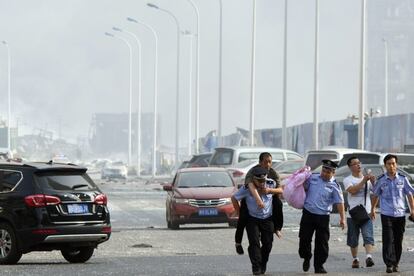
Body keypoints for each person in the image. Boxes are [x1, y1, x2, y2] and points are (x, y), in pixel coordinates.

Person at [231, 166, 282, 275]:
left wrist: (269, 190)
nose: (262, 183)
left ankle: (263, 263)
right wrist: (238, 211)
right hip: (252, 219)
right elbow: (234, 198)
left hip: (267, 219)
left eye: (263, 180)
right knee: (254, 243)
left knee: (268, 244)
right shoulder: (247, 189)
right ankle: (256, 267)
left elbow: (281, 190)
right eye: (259, 181)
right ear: (253, 180)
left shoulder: (270, 183)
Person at [298, 159, 346, 274]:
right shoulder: (313, 177)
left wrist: (343, 218)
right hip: (308, 214)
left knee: (322, 243)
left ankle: (319, 266)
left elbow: (340, 202)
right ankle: (307, 256)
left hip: (323, 217)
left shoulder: (335, 186)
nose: (324, 173)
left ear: (333, 173)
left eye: (328, 172)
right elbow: (303, 187)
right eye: (324, 170)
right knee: (304, 239)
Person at [370, 154, 414, 273]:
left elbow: (410, 194)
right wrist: (373, 209)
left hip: (400, 214)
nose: (391, 166)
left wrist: (412, 210)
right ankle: (389, 264)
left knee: (398, 240)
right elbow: (375, 195)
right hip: (386, 213)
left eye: (393, 163)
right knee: (388, 239)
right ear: (385, 165)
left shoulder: (403, 179)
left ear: (396, 165)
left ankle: (396, 263)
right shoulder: (381, 180)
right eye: (389, 164)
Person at [234, 152, 283, 256]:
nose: (268, 164)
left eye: (270, 162)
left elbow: (280, 190)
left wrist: (269, 191)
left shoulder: (273, 173)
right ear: (260, 162)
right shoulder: (252, 172)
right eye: (265, 162)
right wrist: (258, 200)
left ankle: (277, 228)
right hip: (250, 199)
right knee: (242, 220)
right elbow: (250, 185)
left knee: (278, 203)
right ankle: (238, 243)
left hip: (269, 198)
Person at [343, 157, 376, 268]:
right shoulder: (347, 179)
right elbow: (352, 190)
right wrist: (363, 181)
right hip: (353, 213)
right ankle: (355, 259)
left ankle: (368, 257)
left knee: (368, 236)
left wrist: (373, 182)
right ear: (350, 167)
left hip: (366, 212)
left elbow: (376, 194)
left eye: (359, 163)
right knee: (353, 239)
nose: (358, 165)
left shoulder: (367, 179)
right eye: (355, 164)